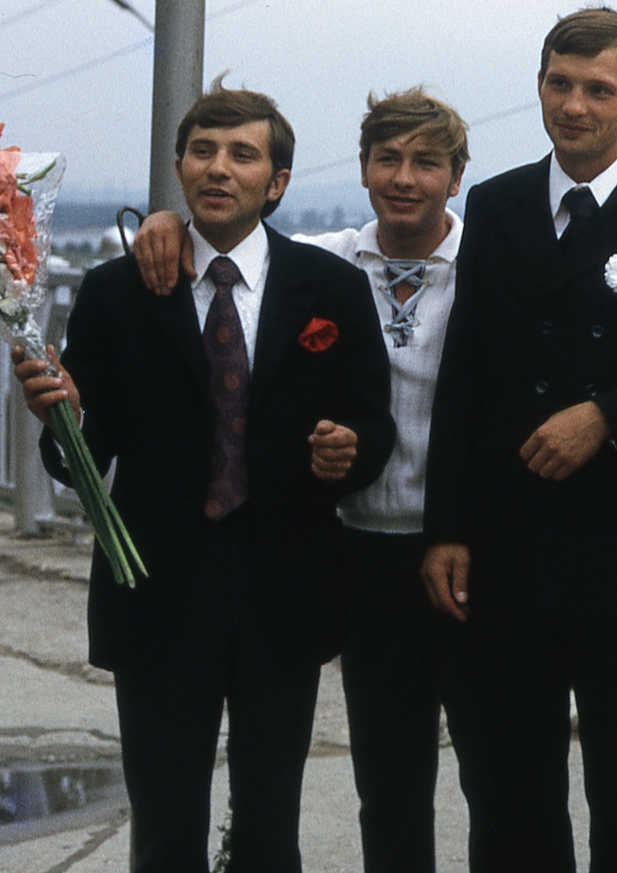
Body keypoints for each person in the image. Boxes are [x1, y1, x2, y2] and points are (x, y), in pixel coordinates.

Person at [12, 81, 396, 872]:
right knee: (164, 832)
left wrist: (347, 448)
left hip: (283, 591)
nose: (219, 168)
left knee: (267, 833)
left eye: (243, 154)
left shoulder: (330, 288)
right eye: (202, 151)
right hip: (156, 589)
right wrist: (66, 420)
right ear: (181, 167)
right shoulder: (119, 291)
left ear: (276, 182)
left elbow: (372, 422)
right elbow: (85, 451)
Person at [421, 7, 617, 872]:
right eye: (560, 83)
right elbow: (466, 374)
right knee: (512, 787)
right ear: (539, 85)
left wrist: (609, 415)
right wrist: (445, 526)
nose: (575, 106)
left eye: (599, 89)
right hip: (506, 537)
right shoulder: (493, 204)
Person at [129, 88, 479, 873]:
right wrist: (162, 224)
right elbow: (231, 236)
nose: (404, 178)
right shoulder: (326, 266)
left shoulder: (492, 268)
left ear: (457, 177)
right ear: (360, 169)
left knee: (494, 774)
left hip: (463, 544)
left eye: (427, 162)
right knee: (385, 778)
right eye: (387, 158)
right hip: (353, 546)